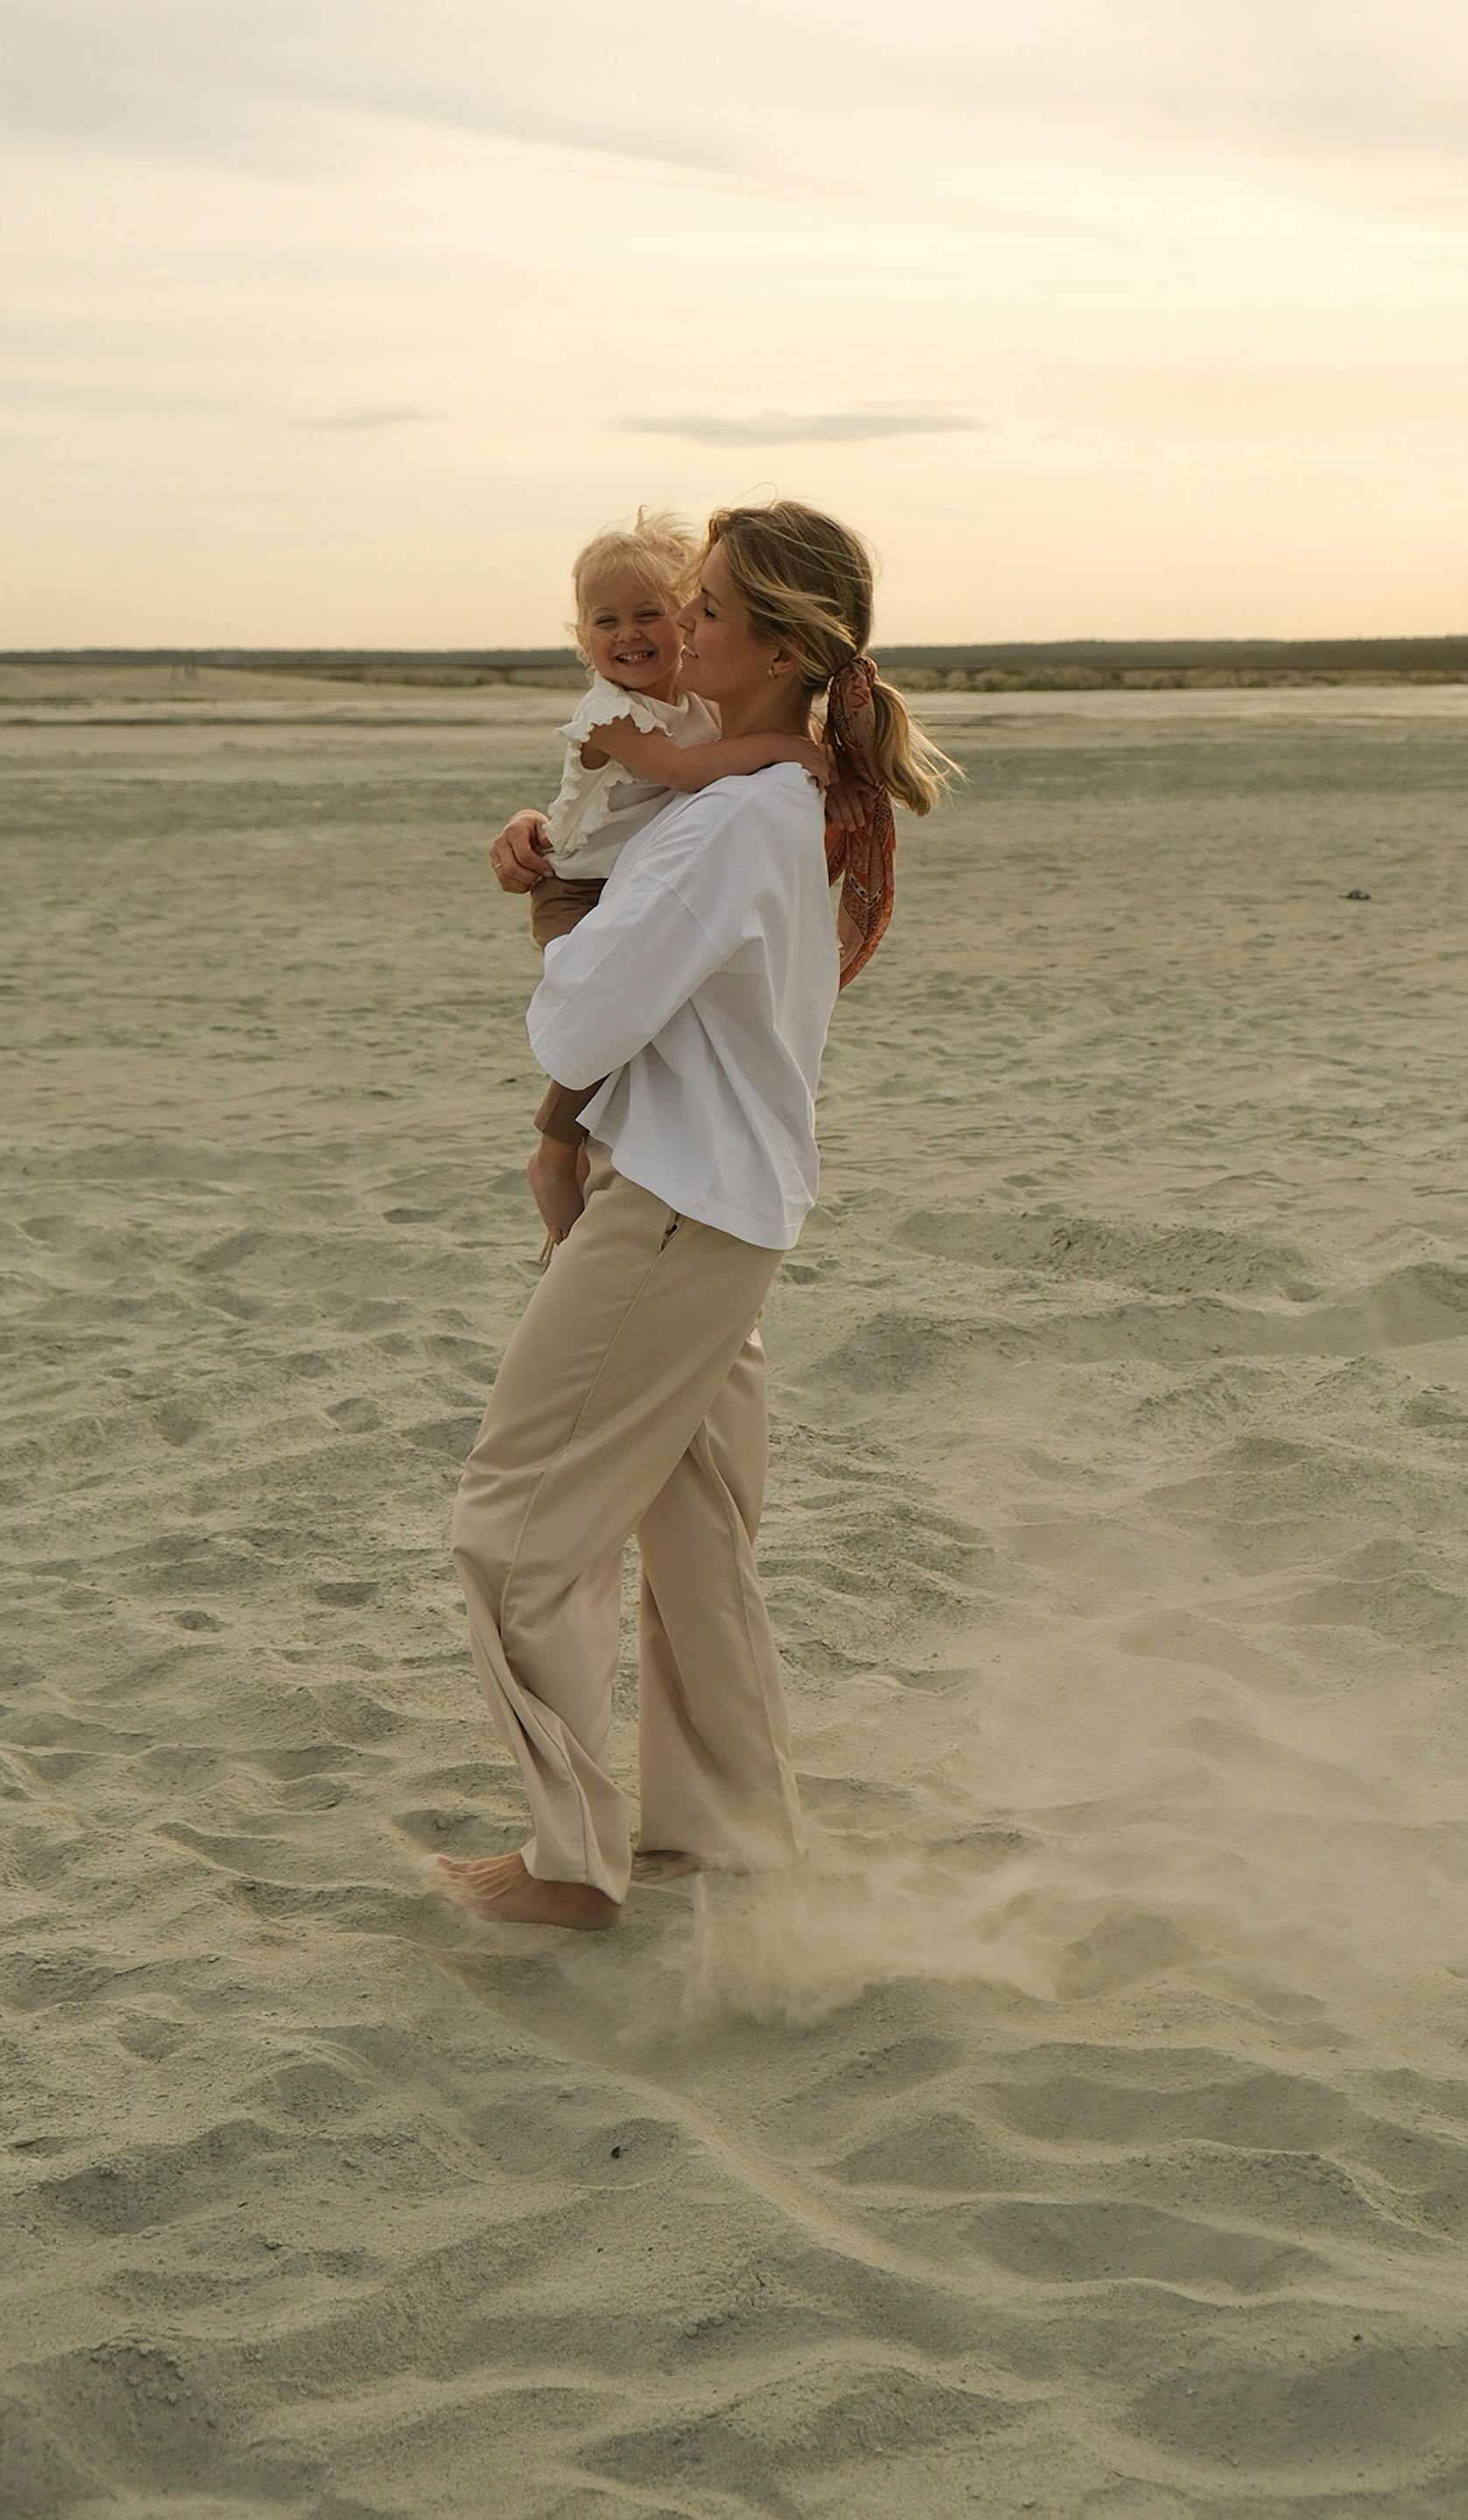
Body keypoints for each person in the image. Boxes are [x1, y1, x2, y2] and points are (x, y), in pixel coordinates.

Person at [436, 499, 959, 1929]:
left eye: (712, 606)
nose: (680, 622)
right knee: (696, 1539)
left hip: (672, 1206)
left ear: (782, 647)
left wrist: (553, 920)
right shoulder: (771, 801)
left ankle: (567, 1865)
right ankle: (726, 1843)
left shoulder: (732, 822)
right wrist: (556, 860)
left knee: (510, 1526)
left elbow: (578, 1023)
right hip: (731, 1206)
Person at [514, 504, 841, 1255]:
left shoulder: (694, 705)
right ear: (579, 637)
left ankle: (571, 1152)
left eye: (654, 613)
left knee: (631, 1012)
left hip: (618, 874)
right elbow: (683, 773)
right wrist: (790, 746)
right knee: (606, 1015)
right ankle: (553, 1152)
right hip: (574, 884)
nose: (629, 635)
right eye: (605, 622)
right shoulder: (609, 715)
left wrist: (795, 747)